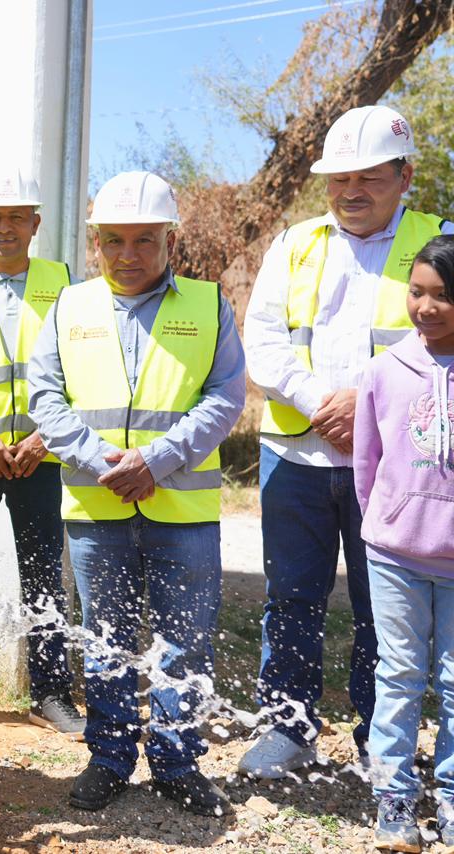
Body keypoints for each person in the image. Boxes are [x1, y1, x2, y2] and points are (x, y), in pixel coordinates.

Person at [241, 105, 454, 778]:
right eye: (339, 179)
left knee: (380, 608)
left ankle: (376, 739)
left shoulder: (438, 240)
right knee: (292, 598)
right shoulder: (295, 243)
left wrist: (366, 407)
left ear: (405, 175)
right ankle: (289, 729)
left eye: (369, 177)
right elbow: (264, 340)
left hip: (396, 465)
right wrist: (313, 400)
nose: (352, 192)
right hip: (296, 458)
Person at [28, 171, 245, 816]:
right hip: (98, 508)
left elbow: (225, 395)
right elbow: (46, 396)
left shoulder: (207, 306)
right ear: (95, 241)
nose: (128, 255)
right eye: (113, 241)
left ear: (169, 239)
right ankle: (110, 757)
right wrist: (100, 461)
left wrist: (157, 460)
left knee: (186, 640)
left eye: (144, 240)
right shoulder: (70, 306)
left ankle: (178, 760)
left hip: (183, 509)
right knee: (107, 636)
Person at [0, 163, 82, 734]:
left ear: (35, 223)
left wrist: (44, 436)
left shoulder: (65, 282)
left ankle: (50, 692)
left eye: (16, 218)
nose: (5, 228)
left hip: (40, 455)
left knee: (45, 573)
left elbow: (81, 366)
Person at [353, 234, 454, 853]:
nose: (427, 306)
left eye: (444, 296)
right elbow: (367, 465)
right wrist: (389, 521)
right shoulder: (385, 370)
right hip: (394, 556)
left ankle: (450, 798)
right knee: (399, 675)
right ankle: (393, 803)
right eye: (417, 292)